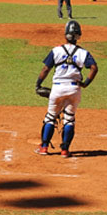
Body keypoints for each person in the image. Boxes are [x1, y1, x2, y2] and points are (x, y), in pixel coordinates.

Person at [35, 20, 98, 157]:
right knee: (69, 119)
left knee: (50, 117)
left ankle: (44, 147)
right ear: (79, 36)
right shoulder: (83, 53)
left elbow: (46, 69)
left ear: (65, 35)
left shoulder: (56, 50)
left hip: (57, 88)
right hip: (74, 89)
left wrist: (38, 84)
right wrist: (85, 83)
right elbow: (94, 68)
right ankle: (65, 150)